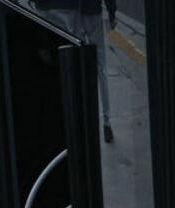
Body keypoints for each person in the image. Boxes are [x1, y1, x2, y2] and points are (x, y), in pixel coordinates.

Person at [36, 0, 116, 143]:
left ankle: (79, 116)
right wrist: (111, 12)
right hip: (93, 10)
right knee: (100, 65)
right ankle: (106, 121)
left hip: (75, 9)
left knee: (78, 62)